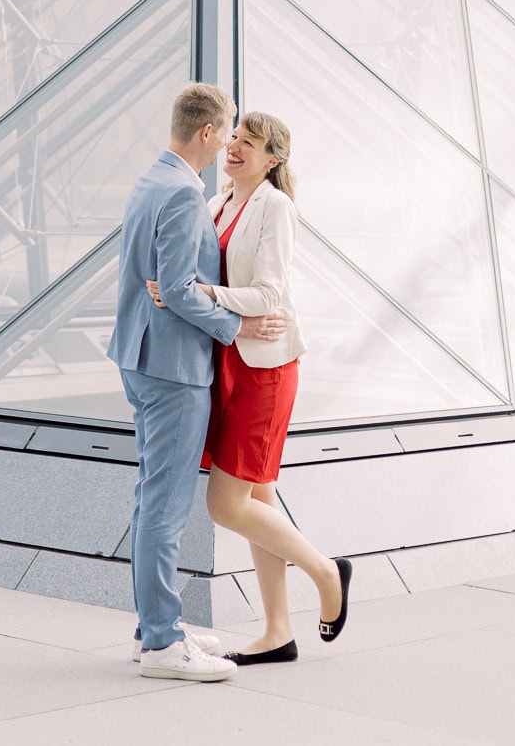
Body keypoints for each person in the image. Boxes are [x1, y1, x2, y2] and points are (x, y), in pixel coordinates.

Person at [148, 111, 352, 664]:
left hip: (263, 371)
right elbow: (195, 278)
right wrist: (175, 290)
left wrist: (203, 294)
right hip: (227, 362)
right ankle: (278, 631)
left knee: (225, 504)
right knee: (260, 499)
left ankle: (327, 573)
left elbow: (268, 296)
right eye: (234, 136)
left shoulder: (276, 207)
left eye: (250, 142)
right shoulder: (216, 203)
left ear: (272, 159)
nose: (235, 146)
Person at [109, 82, 286, 683]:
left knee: (149, 496)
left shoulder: (151, 180)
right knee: (163, 508)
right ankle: (162, 644)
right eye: (228, 131)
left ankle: (153, 628)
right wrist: (238, 325)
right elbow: (179, 289)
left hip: (139, 356)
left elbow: (158, 281)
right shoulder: (186, 195)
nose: (229, 144)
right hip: (174, 368)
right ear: (208, 132)